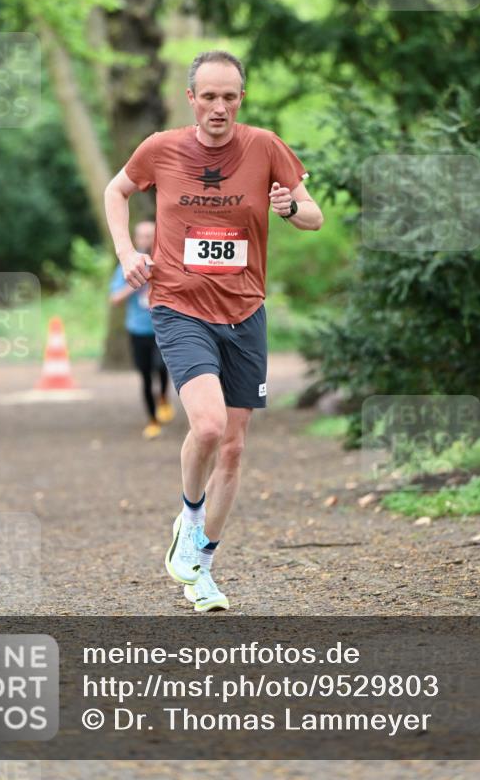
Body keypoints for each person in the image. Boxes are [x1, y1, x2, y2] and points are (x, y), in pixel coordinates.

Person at [104, 50, 323, 612]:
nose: (219, 107)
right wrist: (128, 250)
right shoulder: (160, 148)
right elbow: (117, 190)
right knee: (207, 426)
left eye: (229, 96)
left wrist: (288, 208)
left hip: (246, 312)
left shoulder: (265, 146)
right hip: (180, 307)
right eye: (209, 96)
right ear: (191, 100)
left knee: (233, 449)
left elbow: (312, 214)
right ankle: (190, 516)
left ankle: (201, 566)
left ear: (241, 100)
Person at [109, 219, 175, 440]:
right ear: (136, 239)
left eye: (151, 235)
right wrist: (137, 281)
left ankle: (164, 397)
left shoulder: (167, 262)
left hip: (163, 327)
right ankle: (153, 420)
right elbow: (115, 298)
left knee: (161, 366)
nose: (146, 240)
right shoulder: (126, 267)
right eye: (143, 236)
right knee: (146, 376)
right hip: (138, 330)